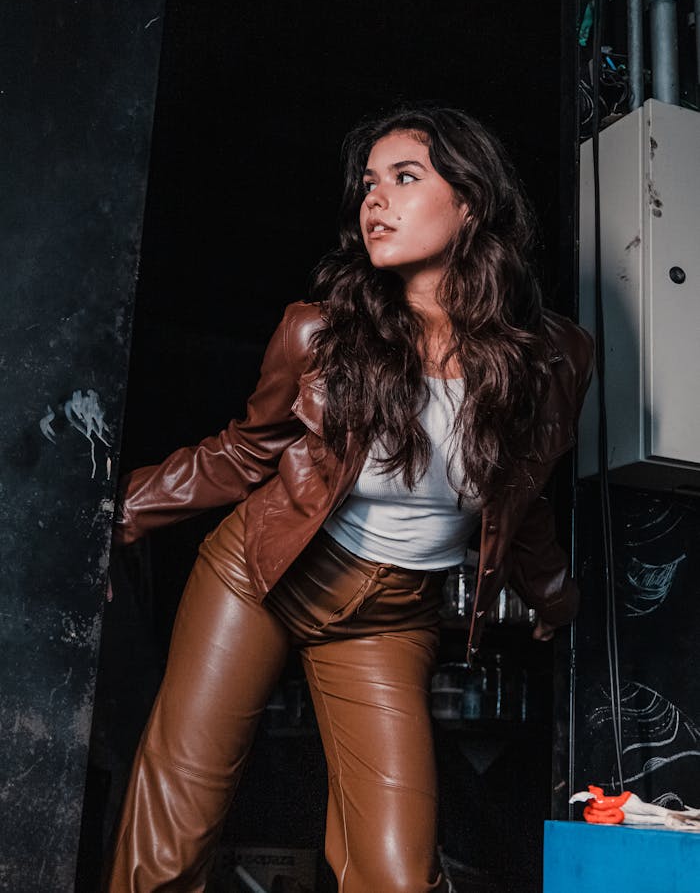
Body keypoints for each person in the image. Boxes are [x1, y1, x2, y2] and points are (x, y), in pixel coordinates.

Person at [105, 105, 593, 893]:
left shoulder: (554, 359)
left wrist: (552, 594)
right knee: (172, 842)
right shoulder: (319, 334)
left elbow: (524, 495)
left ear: (471, 203)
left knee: (394, 875)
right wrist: (105, 520)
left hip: (389, 616)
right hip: (259, 580)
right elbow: (241, 454)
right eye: (368, 184)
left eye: (405, 178)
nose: (376, 201)